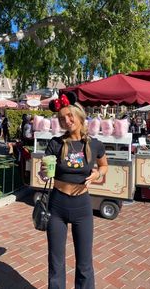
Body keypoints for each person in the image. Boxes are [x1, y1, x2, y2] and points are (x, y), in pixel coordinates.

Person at [39, 93, 108, 289]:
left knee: (85, 263)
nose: (67, 121)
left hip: (82, 207)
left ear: (79, 115)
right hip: (57, 205)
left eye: (70, 116)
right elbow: (44, 173)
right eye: (62, 118)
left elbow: (104, 166)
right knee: (56, 261)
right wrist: (44, 173)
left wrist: (97, 175)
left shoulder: (94, 144)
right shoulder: (55, 143)